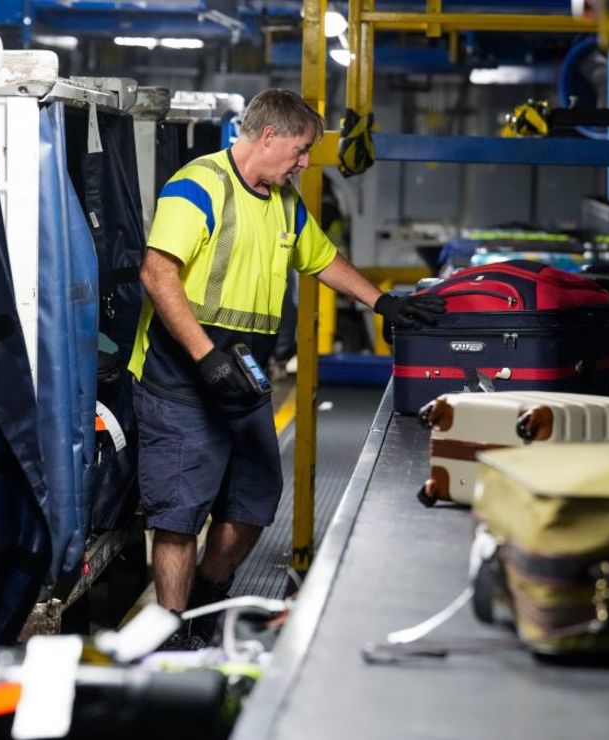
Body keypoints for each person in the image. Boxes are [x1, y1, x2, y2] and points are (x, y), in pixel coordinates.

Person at [128, 88, 444, 645]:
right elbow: (157, 275)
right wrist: (205, 357)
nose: (303, 163)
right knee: (178, 517)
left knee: (252, 503)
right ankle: (172, 636)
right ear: (268, 135)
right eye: (300, 150)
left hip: (242, 377)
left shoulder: (284, 203)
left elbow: (321, 257)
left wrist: (383, 303)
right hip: (181, 380)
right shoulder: (199, 185)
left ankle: (207, 595)